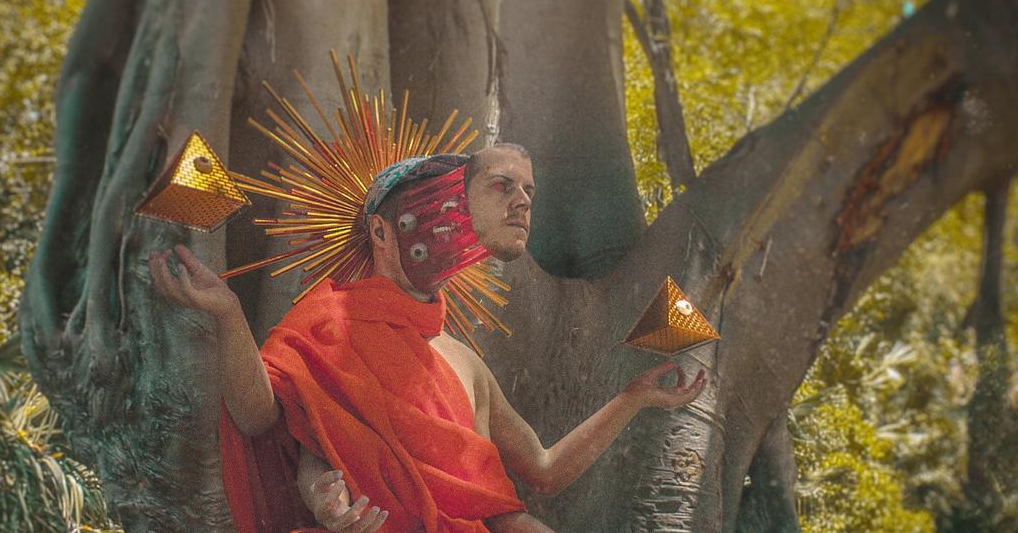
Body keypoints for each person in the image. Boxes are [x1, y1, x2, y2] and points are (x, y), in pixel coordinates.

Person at [150, 145, 706, 532]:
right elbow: (262, 422)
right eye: (493, 191)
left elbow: (542, 470)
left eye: (526, 192)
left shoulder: (464, 363)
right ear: (382, 232)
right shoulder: (325, 326)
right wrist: (227, 316)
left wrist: (635, 397)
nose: (521, 203)